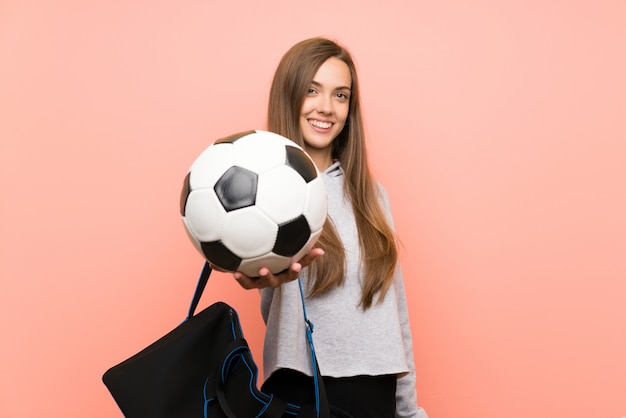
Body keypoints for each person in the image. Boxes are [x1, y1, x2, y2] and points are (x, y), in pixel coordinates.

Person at [229, 37, 428, 418]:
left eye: (341, 95)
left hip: (376, 392)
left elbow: (394, 312)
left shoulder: (372, 195)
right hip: (303, 389)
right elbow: (268, 294)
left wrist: (408, 410)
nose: (326, 107)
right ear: (289, 96)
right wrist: (259, 276)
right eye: (311, 90)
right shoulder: (265, 191)